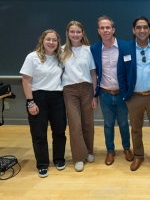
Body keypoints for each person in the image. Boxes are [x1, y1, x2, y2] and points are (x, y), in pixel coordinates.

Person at [118, 16, 150, 172]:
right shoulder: (126, 49)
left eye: (145, 27)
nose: (142, 30)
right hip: (134, 97)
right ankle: (138, 156)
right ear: (133, 30)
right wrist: (125, 95)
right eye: (139, 27)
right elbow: (120, 74)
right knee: (135, 130)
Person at [20, 29, 67, 178]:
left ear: (58, 43)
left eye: (54, 40)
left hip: (57, 98)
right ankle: (42, 164)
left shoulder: (60, 58)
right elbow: (26, 81)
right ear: (42, 40)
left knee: (59, 131)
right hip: (38, 98)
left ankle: (59, 159)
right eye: (48, 39)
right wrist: (30, 102)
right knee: (39, 134)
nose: (51, 43)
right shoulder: (32, 57)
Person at [90, 16, 133, 166]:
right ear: (98, 31)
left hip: (121, 94)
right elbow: (93, 72)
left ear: (113, 29)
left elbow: (130, 70)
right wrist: (94, 95)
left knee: (123, 123)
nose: (105, 30)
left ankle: (127, 148)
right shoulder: (94, 49)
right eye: (102, 28)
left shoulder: (125, 46)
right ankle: (110, 151)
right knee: (108, 124)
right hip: (104, 93)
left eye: (108, 27)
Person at [61, 21, 98, 172]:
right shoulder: (61, 50)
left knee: (88, 123)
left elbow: (93, 74)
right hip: (69, 90)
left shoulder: (89, 50)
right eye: (72, 32)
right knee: (75, 124)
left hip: (87, 89)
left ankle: (88, 151)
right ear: (68, 33)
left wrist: (95, 95)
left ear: (82, 33)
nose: (75, 34)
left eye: (78, 31)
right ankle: (78, 157)